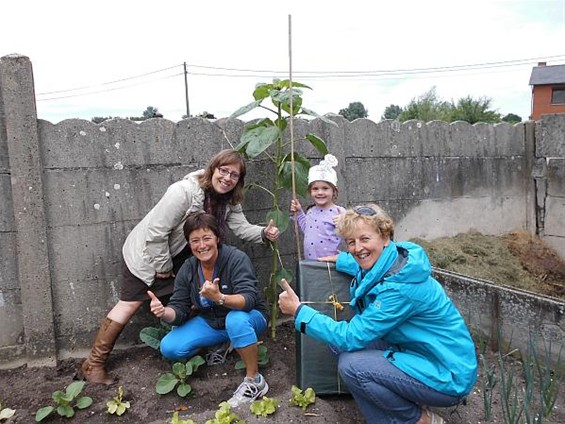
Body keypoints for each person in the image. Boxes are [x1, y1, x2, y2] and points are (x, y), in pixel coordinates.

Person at [80, 149, 280, 385]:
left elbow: (240, 226)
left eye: (234, 175)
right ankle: (94, 363)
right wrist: (162, 267)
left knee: (196, 299)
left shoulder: (228, 199)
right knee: (129, 303)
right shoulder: (183, 192)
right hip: (148, 255)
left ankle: (212, 342)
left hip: (182, 257)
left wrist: (263, 233)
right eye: (223, 171)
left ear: (239, 180)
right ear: (212, 169)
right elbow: (156, 232)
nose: (227, 178)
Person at [278, 204, 477, 424]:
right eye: (351, 242)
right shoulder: (394, 260)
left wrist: (299, 311)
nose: (356, 248)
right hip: (419, 352)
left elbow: (351, 337)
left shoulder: (400, 289)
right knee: (339, 346)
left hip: (446, 373)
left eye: (364, 239)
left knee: (352, 366)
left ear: (384, 237)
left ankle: (419, 419)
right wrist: (343, 259)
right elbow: (372, 269)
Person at [148, 212, 269, 408]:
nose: (201, 245)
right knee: (169, 347)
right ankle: (226, 342)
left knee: (236, 320)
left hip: (251, 317)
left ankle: (254, 380)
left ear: (218, 238)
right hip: (212, 322)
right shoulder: (188, 269)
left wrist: (219, 298)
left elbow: (248, 300)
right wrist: (164, 312)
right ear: (189, 244)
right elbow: (179, 309)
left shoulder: (236, 259)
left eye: (207, 238)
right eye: (195, 240)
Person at [290, 154, 345, 260]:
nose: (320, 192)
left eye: (325, 188)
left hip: (330, 264)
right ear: (310, 191)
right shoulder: (311, 211)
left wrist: (344, 224)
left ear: (334, 191)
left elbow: (350, 234)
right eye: (315, 189)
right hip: (311, 264)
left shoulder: (339, 212)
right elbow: (307, 229)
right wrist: (299, 212)